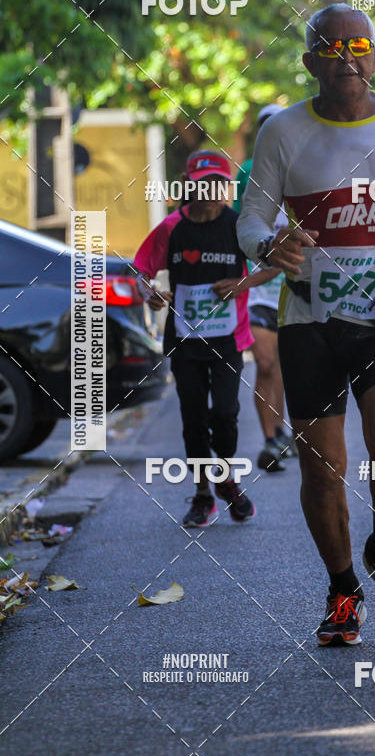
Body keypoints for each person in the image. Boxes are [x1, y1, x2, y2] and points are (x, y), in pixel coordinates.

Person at [237, 4, 375, 646]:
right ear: (311, 63)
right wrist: (268, 245)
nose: (346, 57)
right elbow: (251, 219)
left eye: (359, 46)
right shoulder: (283, 133)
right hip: (309, 321)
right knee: (322, 468)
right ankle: (341, 589)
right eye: (331, 48)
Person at [134, 150, 262, 528]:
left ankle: (227, 476)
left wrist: (241, 283)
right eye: (203, 184)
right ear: (188, 186)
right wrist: (150, 293)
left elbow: (273, 266)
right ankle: (204, 494)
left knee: (225, 413)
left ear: (227, 187)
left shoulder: (239, 226)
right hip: (185, 340)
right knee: (192, 418)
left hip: (227, 339)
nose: (210, 191)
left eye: (218, 184)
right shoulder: (172, 227)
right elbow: (141, 270)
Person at [236, 104, 298, 472]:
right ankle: (270, 439)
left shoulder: (301, 168)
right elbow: (235, 224)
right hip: (257, 288)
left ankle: (283, 431)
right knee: (265, 362)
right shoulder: (247, 171)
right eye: (264, 126)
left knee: (286, 366)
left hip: (293, 287)